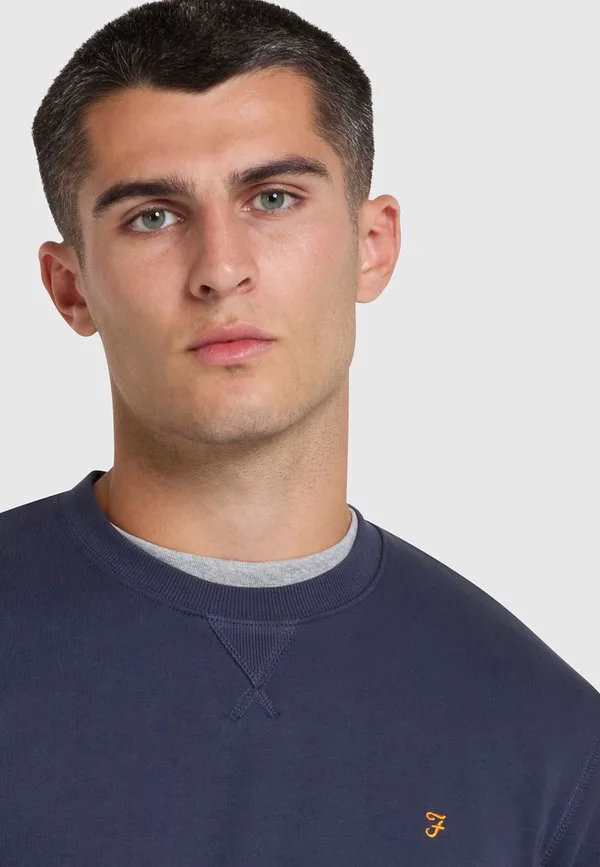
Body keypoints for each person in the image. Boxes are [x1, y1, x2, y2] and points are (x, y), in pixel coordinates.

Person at [1, 0, 598, 863]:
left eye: (273, 198)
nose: (221, 268)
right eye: (153, 215)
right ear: (70, 288)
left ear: (372, 244)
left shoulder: (546, 738)